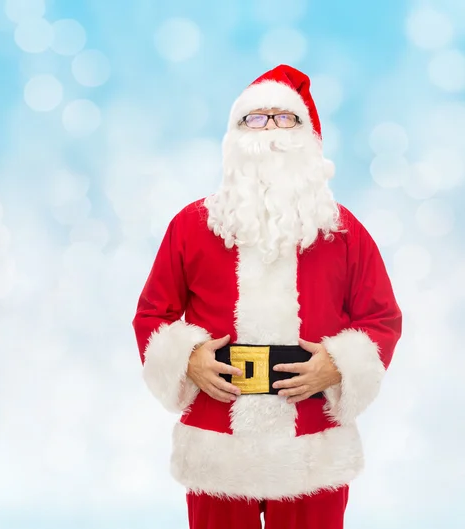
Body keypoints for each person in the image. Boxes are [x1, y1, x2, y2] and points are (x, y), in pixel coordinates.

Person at [132, 64, 402, 529]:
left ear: (308, 136)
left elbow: (381, 317)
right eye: (255, 119)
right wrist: (187, 358)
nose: (270, 130)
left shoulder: (343, 232)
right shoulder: (191, 227)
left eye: (285, 118)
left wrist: (339, 365)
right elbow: (152, 313)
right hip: (219, 441)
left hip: (312, 443)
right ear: (234, 137)